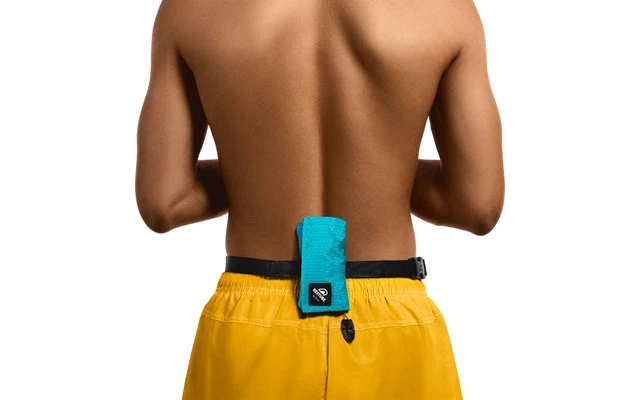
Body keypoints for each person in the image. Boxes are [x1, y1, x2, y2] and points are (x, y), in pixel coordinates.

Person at [136, 0, 503, 398]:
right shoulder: (445, 10)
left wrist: (255, 172)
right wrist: (382, 170)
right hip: (395, 329)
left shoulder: (189, 9)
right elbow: (476, 205)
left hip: (251, 326)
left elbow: (165, 201)